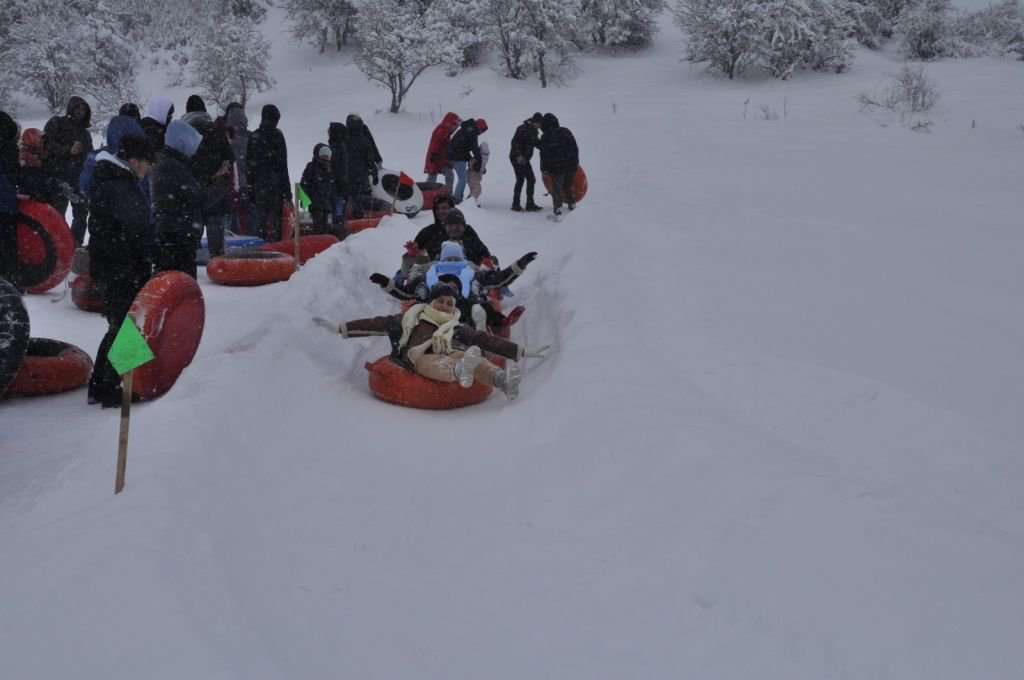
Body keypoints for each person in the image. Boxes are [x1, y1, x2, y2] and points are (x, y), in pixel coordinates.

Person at [313, 282, 550, 400]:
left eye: (450, 303)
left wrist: (521, 351)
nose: (445, 306)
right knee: (434, 362)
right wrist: (341, 328)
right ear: (431, 302)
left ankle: (503, 381)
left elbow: (485, 339)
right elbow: (377, 323)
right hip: (420, 357)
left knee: (470, 355)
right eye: (441, 301)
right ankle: (460, 370)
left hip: (456, 352)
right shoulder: (411, 318)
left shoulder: (458, 325)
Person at [86, 134, 156, 407]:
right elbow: (138, 231)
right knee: (128, 326)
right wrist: (156, 251)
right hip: (122, 266)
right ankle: (116, 386)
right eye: (147, 163)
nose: (148, 169)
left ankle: (99, 384)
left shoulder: (110, 181)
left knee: (118, 323)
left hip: (111, 264)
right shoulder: (121, 187)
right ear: (133, 161)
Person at [370, 240, 533, 332]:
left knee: (479, 306)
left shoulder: (472, 273)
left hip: (463, 309)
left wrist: (519, 264)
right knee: (419, 311)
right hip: (433, 309)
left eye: (456, 260)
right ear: (442, 260)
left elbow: (499, 279)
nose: (452, 263)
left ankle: (488, 327)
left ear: (462, 260)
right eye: (449, 260)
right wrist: (386, 282)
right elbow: (405, 293)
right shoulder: (429, 274)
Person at [182, 103, 234, 258]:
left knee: (191, 233)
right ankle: (217, 263)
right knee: (215, 225)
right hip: (215, 188)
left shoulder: (185, 132)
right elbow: (230, 156)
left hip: (192, 187)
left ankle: (190, 261)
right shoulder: (216, 129)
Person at [152, 121, 204, 278]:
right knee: (181, 284)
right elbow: (197, 197)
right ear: (182, 143)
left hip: (171, 231)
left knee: (169, 280)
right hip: (178, 234)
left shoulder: (168, 162)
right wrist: (218, 185)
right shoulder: (175, 166)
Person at [43, 95, 93, 245]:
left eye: (83, 108)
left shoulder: (85, 133)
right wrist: (67, 150)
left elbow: (89, 158)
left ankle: (74, 247)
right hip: (58, 178)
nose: (80, 111)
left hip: (79, 180)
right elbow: (45, 144)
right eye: (77, 107)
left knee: (81, 215)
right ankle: (57, 246)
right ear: (70, 107)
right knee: (57, 215)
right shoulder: (57, 123)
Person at [246, 104, 291, 242]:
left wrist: (250, 188)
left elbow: (249, 166)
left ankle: (261, 248)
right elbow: (283, 165)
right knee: (277, 221)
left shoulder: (254, 136)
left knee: (261, 221)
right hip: (275, 184)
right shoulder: (278, 136)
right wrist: (287, 191)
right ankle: (276, 249)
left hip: (259, 186)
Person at [337, 113, 379, 221]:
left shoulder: (343, 140)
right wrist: (374, 174)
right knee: (357, 203)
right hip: (358, 179)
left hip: (346, 179)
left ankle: (340, 221)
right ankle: (357, 223)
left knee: (343, 202)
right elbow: (370, 160)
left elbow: (337, 160)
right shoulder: (364, 141)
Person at [537, 113, 580, 216]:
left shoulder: (545, 136)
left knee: (556, 189)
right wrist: (575, 163)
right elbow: (574, 148)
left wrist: (544, 169)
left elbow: (544, 155)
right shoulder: (566, 131)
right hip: (570, 166)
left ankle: (558, 208)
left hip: (557, 168)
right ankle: (572, 204)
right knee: (568, 186)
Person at [223, 103, 254, 236]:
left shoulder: (225, 137)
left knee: (231, 216)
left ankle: (230, 242)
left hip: (230, 185)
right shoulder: (252, 137)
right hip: (248, 184)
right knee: (251, 216)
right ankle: (254, 242)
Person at [445, 118, 487, 204]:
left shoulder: (467, 129)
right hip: (456, 156)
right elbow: (474, 148)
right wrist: (479, 162)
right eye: (482, 130)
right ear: (479, 128)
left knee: (462, 178)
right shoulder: (472, 132)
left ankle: (458, 197)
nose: (481, 133)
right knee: (462, 178)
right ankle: (456, 198)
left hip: (454, 154)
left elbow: (464, 146)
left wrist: (474, 160)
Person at [509, 112, 544, 212]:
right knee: (524, 179)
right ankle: (519, 204)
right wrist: (519, 155)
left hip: (524, 159)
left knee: (528, 179)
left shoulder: (533, 131)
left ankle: (526, 204)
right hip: (517, 158)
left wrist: (547, 144)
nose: (540, 126)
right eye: (539, 124)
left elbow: (537, 143)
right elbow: (514, 142)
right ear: (534, 122)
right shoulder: (522, 129)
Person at [300, 143, 337, 236]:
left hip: (326, 204)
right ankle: (318, 241)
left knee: (325, 227)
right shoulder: (311, 167)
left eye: (327, 155)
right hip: (315, 202)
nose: (325, 158)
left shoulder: (329, 170)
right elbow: (304, 184)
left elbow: (332, 188)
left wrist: (333, 203)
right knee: (318, 226)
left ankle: (323, 243)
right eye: (323, 155)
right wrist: (304, 199)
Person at [0, 111, 20, 281]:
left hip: (5, 201)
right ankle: (9, 279)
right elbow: (16, 174)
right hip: (6, 204)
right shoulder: (11, 149)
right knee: (8, 243)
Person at [424, 112, 460, 191]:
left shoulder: (447, 132)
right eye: (455, 126)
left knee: (449, 174)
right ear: (450, 123)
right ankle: (426, 193)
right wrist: (433, 154)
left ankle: (448, 193)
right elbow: (435, 143)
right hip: (435, 157)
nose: (455, 128)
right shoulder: (442, 130)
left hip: (442, 158)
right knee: (432, 176)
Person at [466, 140, 490, 206]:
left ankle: (469, 200)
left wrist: (483, 170)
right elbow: (471, 163)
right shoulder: (476, 160)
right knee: (477, 189)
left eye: (486, 155)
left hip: (475, 178)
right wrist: (474, 166)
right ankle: (470, 202)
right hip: (472, 177)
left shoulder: (482, 161)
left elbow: (482, 167)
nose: (485, 157)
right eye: (484, 154)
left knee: (474, 190)